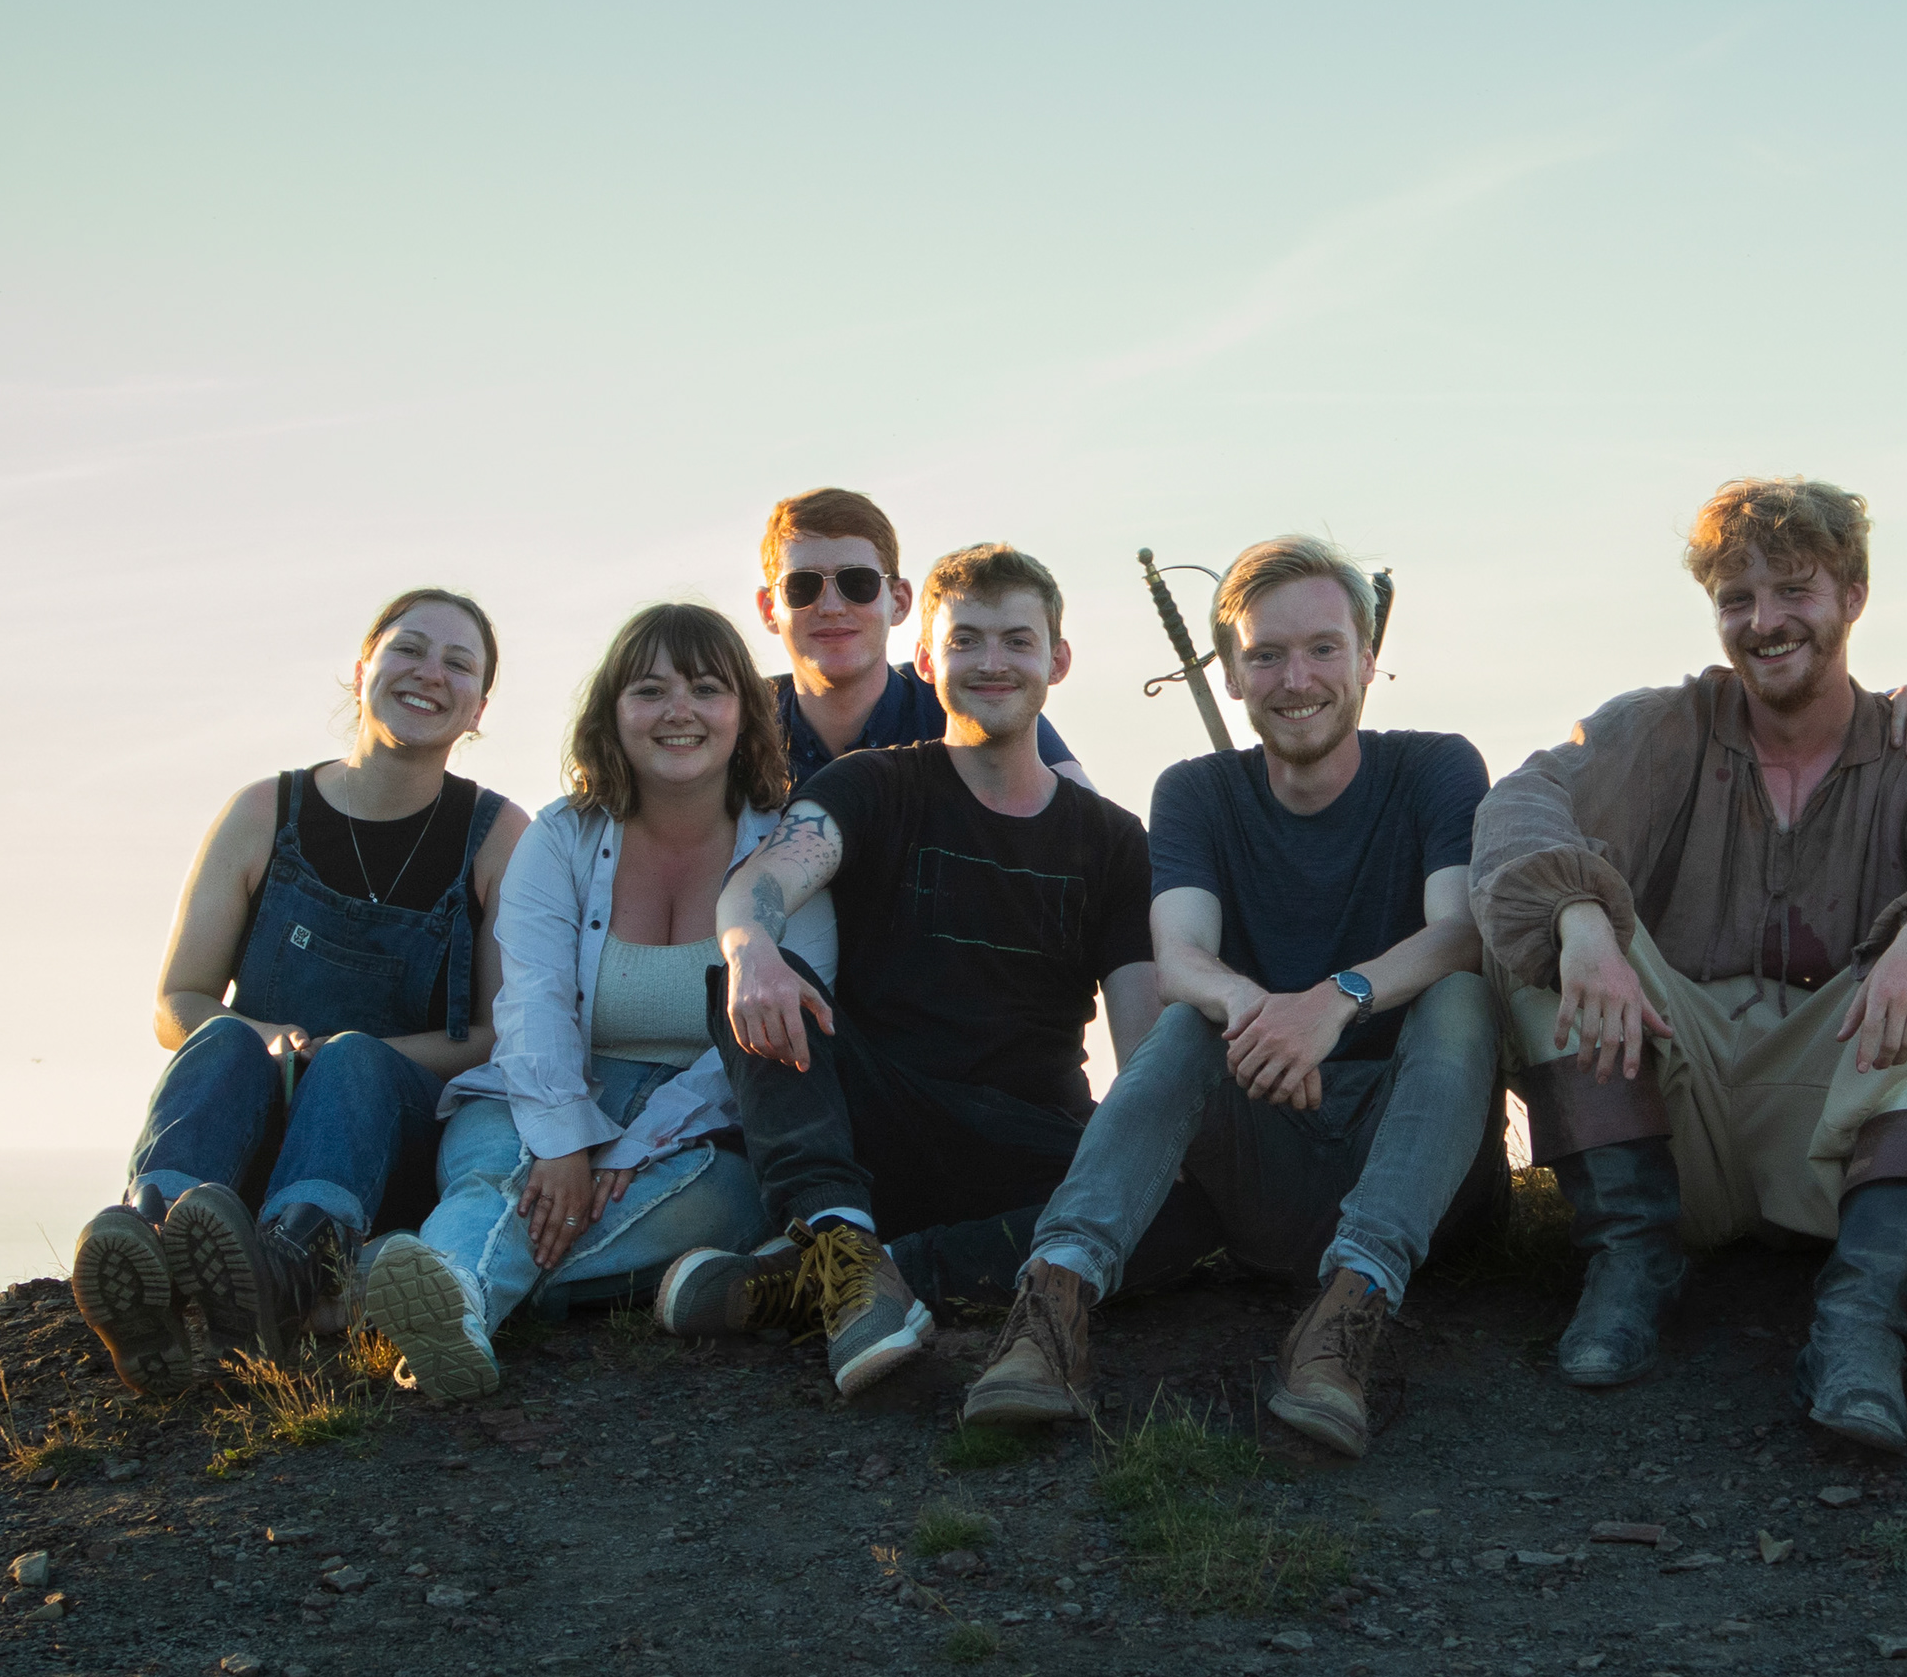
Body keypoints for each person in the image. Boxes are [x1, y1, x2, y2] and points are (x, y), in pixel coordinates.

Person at [1472, 479, 1907, 1453]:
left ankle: (1862, 1323)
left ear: (1852, 595)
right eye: (1737, 597)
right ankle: (1634, 1257)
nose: (1764, 622)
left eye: (1794, 589)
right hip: (1687, 1108)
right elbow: (1519, 804)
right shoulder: (1667, 725)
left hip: (1838, 1112)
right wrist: (1583, 919)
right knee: (1534, 916)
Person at [958, 539, 1503, 1458]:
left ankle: (1350, 1311)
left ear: (1369, 661)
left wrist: (1335, 999)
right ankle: (1053, 1302)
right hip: (1270, 1152)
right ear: (1234, 675)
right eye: (1266, 655)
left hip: (1422, 1156)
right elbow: (1180, 958)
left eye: (1324, 648)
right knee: (1185, 1026)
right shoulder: (1196, 792)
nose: (1298, 678)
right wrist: (1259, 1010)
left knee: (1463, 1000)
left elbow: (1459, 931)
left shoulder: (1438, 767)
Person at [659, 544, 1160, 1395]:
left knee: (1174, 1202)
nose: (992, 663)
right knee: (753, 989)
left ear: (1058, 660)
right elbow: (764, 882)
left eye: (1017, 641)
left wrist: (1144, 1154)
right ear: (927, 661)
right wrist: (750, 951)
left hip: (1026, 1134)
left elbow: (1145, 1039)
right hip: (877, 1115)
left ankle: (849, 1275)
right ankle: (839, 1232)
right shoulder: (877, 784)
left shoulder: (1113, 838)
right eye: (966, 641)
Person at [349, 602, 837, 1402]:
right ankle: (465, 1304)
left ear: (745, 713)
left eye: (706, 688)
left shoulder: (789, 857)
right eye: (649, 690)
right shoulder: (560, 838)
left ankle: (444, 1284)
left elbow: (777, 1037)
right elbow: (531, 1000)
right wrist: (565, 1139)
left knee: (725, 1203)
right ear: (613, 714)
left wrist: (633, 1143)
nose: (678, 710)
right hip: (542, 1096)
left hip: (702, 1127)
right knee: (493, 1172)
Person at [68, 590, 528, 1393]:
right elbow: (178, 998)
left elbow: (496, 1033)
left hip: (389, 1151)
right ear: (362, 668)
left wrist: (352, 1057)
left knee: (352, 1062)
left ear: (479, 707)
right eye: (409, 649)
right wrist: (269, 1035)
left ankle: (292, 1273)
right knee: (224, 1037)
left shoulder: (498, 835)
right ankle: (152, 1240)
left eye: (458, 663)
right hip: (249, 1144)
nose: (430, 673)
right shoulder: (261, 813)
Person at [755, 486, 1087, 786]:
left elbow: (1083, 814)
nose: (831, 607)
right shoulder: (739, 719)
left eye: (857, 583)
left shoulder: (963, 700)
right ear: (769, 608)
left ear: (899, 601)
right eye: (802, 587)